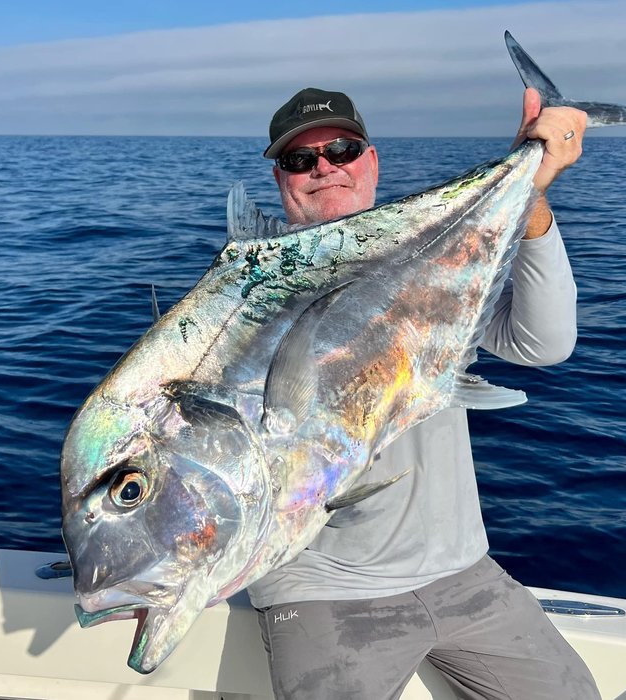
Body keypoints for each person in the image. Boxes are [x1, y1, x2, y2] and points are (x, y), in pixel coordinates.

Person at [247, 87, 599, 700]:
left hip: (467, 571)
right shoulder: (248, 296)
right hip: (323, 588)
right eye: (301, 160)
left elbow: (542, 346)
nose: (324, 166)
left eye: (342, 149)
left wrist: (531, 197)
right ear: (281, 179)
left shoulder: (436, 257)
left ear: (372, 163)